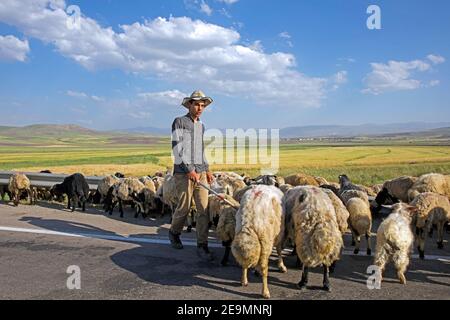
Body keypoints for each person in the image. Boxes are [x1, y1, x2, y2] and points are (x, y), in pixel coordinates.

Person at [169, 90, 215, 261]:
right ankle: (174, 232)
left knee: (204, 209)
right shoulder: (179, 122)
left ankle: (202, 245)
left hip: (200, 172)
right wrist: (189, 170)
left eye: (202, 105)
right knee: (184, 207)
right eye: (196, 104)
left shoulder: (201, 125)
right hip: (183, 173)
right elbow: (177, 149)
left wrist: (207, 169)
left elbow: (200, 150)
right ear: (189, 105)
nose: (199, 108)